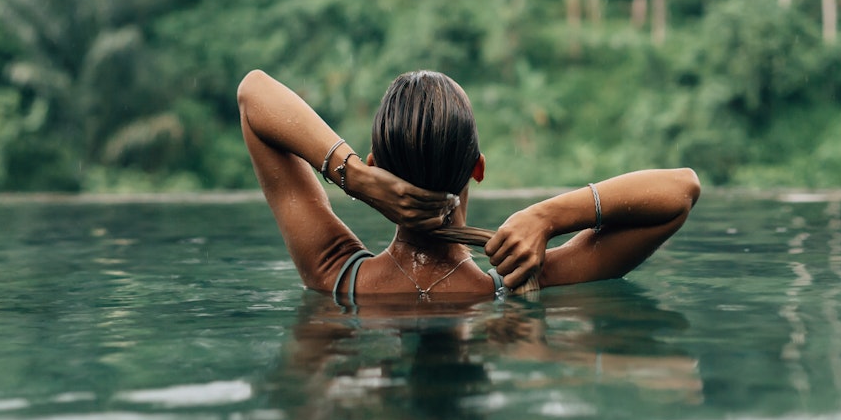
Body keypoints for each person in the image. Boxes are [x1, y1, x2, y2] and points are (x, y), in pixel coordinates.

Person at [238, 68, 700, 303]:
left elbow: (253, 92)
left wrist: (353, 175)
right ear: (478, 168)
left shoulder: (334, 276)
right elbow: (681, 191)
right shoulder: (517, 284)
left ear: (378, 165)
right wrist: (547, 217)